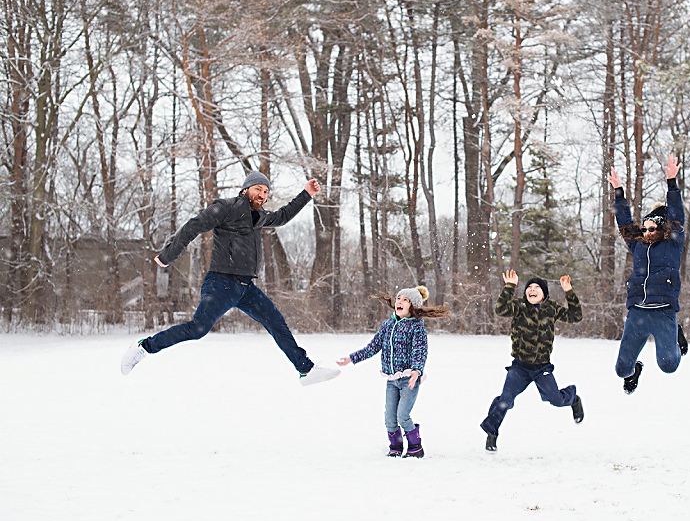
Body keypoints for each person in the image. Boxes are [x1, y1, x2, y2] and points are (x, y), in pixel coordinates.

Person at [120, 171, 340, 386]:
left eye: (265, 191)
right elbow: (194, 225)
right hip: (221, 282)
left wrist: (306, 193)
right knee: (197, 329)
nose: (262, 195)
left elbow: (282, 216)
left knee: (276, 323)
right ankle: (144, 347)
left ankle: (306, 369)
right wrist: (169, 255)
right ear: (245, 190)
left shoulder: (259, 217)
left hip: (245, 288)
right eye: (258, 189)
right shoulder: (226, 208)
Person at [336, 286, 450, 458]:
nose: (400, 302)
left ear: (412, 306)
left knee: (403, 415)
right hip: (391, 380)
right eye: (399, 298)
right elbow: (372, 347)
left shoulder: (417, 328)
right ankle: (395, 447)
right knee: (390, 419)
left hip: (409, 379)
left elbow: (420, 351)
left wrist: (417, 371)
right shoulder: (387, 325)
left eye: (405, 300)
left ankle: (415, 447)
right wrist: (352, 358)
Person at [608, 153, 686, 395]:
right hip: (638, 312)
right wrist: (619, 192)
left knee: (669, 366)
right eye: (645, 227)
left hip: (663, 312)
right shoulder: (638, 245)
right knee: (621, 369)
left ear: (661, 228)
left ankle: (676, 336)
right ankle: (635, 370)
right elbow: (624, 222)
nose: (646, 231)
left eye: (651, 227)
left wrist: (672, 184)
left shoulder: (672, 243)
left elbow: (676, 216)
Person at [480, 270, 584, 452]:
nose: (532, 290)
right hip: (520, 366)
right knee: (505, 399)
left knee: (556, 400)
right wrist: (510, 286)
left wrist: (569, 292)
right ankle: (492, 433)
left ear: (544, 294)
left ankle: (573, 398)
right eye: (529, 287)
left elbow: (576, 316)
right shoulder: (519, 307)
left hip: (542, 366)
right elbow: (500, 309)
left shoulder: (551, 309)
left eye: (537, 287)